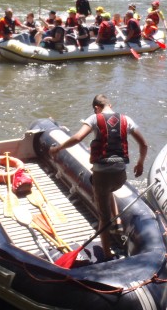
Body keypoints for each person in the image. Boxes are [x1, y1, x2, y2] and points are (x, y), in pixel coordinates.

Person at [49, 94, 148, 261]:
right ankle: (117, 225)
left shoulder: (95, 118)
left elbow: (77, 138)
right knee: (110, 189)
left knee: (103, 216)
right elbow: (144, 144)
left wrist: (58, 149)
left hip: (102, 176)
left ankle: (108, 254)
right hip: (120, 176)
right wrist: (140, 164)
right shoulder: (126, 119)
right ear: (110, 104)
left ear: (96, 108)